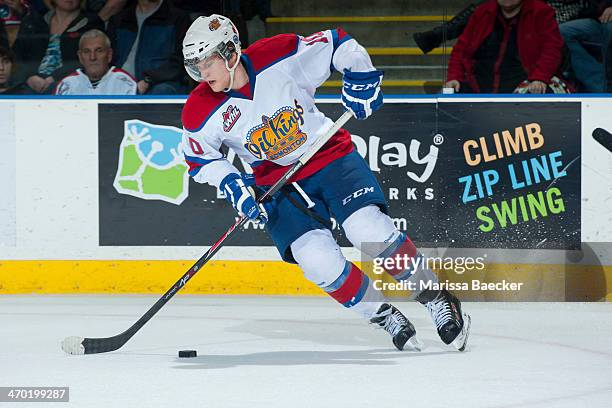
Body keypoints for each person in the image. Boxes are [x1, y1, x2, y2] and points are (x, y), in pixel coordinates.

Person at [180, 15, 471, 351]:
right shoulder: (198, 109)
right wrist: (234, 186)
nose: (203, 73)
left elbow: (339, 43)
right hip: (275, 184)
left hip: (327, 155)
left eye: (208, 61)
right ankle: (382, 314)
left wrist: (361, 76)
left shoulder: (279, 53)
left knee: (369, 232)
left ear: (230, 53)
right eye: (195, 65)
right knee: (316, 260)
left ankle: (435, 297)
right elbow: (200, 158)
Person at [445, 0, 567, 93]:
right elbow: (460, 50)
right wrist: (454, 77)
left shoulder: (540, 11)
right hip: (479, 85)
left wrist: (539, 78)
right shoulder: (483, 12)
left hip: (524, 83)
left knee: (541, 93)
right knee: (449, 93)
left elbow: (552, 50)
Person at [11, 0, 104, 94]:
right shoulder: (34, 20)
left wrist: (55, 77)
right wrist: (29, 77)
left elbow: (91, 59)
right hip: (30, 82)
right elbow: (16, 56)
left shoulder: (92, 23)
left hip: (70, 83)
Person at [107, 0, 191, 94]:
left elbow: (181, 61)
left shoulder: (178, 18)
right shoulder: (119, 19)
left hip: (159, 84)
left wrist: (149, 80)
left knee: (162, 91)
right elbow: (108, 58)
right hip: (120, 83)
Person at [54, 29, 137, 95]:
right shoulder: (68, 84)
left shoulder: (124, 81)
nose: (92, 57)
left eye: (99, 51)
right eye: (86, 51)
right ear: (80, 57)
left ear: (109, 55)